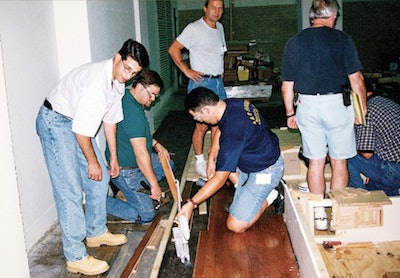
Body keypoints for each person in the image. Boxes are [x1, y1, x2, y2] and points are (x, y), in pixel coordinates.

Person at [36, 39, 149, 276]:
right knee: (70, 190)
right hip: (55, 122)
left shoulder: (117, 83)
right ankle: (75, 256)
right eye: (127, 68)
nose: (128, 75)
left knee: (101, 177)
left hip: (75, 124)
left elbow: (109, 121)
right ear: (117, 56)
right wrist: (93, 162)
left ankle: (96, 232)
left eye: (134, 73)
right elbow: (81, 131)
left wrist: (113, 158)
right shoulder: (96, 82)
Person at [280, 0, 367, 230]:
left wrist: (290, 113)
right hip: (337, 105)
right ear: (333, 16)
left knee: (315, 162)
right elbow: (356, 80)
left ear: (312, 17)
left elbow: (286, 86)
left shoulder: (294, 42)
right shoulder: (343, 40)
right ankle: (337, 215)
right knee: (339, 162)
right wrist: (362, 110)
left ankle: (319, 216)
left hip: (307, 105)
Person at [175, 87, 284, 233]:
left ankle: (272, 195)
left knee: (235, 226)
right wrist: (212, 158)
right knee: (222, 158)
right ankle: (245, 192)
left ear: (206, 110)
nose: (199, 121)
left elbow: (220, 178)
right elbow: (221, 127)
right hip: (254, 158)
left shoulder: (234, 132)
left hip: (266, 170)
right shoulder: (231, 105)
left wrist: (191, 203)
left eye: (197, 117)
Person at [106, 69, 176, 222]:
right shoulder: (132, 112)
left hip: (134, 161)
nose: (153, 99)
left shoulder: (128, 97)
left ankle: (132, 192)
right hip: (126, 170)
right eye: (151, 94)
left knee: (168, 164)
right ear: (139, 86)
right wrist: (154, 185)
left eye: (155, 96)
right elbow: (141, 155)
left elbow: (138, 136)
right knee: (146, 215)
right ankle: (101, 202)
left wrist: (156, 144)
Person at [168, 0, 227, 179]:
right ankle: (200, 161)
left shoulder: (220, 28)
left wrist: (221, 77)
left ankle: (214, 158)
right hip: (201, 83)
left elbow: (219, 55)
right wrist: (186, 70)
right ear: (205, 9)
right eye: (213, 7)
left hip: (217, 82)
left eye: (220, 8)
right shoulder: (194, 28)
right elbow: (173, 49)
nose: (217, 11)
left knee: (220, 123)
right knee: (201, 126)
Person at [348, 79, 400, 196]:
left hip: (393, 171)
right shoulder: (386, 103)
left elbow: (366, 153)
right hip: (395, 167)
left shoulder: (366, 111)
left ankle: (359, 197)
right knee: (375, 190)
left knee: (345, 154)